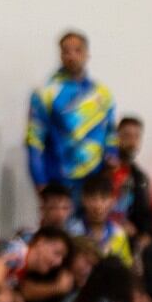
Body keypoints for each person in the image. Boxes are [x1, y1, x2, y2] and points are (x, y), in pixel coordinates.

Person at [26, 30, 115, 193]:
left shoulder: (102, 93)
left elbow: (111, 136)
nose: (72, 56)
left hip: (94, 183)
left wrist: (111, 162)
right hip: (58, 181)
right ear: (60, 55)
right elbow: (34, 141)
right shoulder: (45, 92)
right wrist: (39, 181)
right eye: (66, 51)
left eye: (77, 50)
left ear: (87, 54)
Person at [67, 172, 131, 265]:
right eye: (93, 198)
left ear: (112, 201)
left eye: (104, 198)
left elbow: (126, 268)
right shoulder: (72, 232)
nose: (98, 205)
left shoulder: (119, 233)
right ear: (83, 199)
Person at [109, 115, 152, 239]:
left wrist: (145, 235)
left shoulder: (140, 177)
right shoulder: (103, 171)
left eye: (136, 137)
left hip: (130, 238)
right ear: (116, 138)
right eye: (127, 136)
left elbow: (144, 213)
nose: (132, 142)